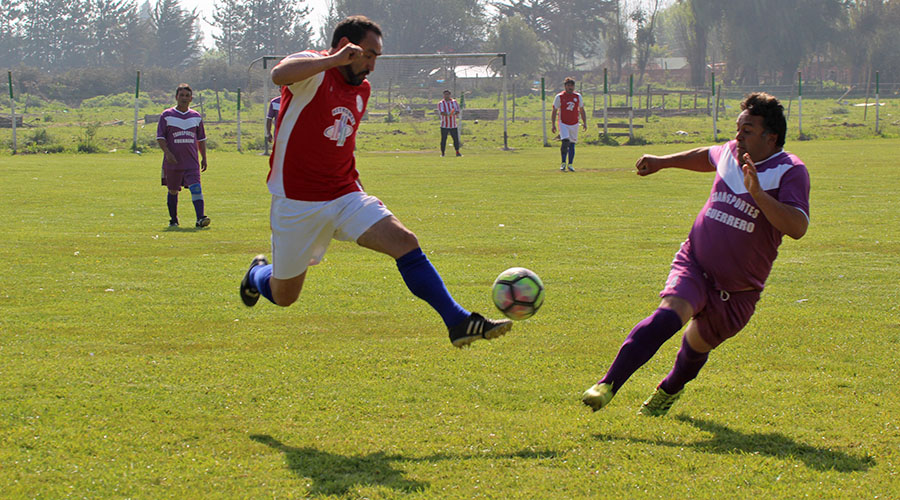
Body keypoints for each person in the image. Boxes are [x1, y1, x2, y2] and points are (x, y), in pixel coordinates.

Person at [238, 16, 512, 347]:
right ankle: (256, 275)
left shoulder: (361, 90)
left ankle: (457, 321)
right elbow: (279, 74)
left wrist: (356, 188)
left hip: (344, 195)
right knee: (284, 296)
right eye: (368, 54)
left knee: (404, 241)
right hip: (297, 202)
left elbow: (340, 144)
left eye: (376, 57)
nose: (371, 64)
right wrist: (334, 60)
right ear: (345, 47)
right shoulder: (312, 72)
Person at [582, 92, 810, 416]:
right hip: (696, 264)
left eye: (746, 130)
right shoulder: (732, 152)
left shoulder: (790, 171)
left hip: (738, 291)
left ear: (770, 136)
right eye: (737, 128)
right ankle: (607, 384)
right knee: (667, 317)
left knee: (695, 347)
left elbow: (797, 226)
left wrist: (758, 193)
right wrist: (662, 162)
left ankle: (669, 389)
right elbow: (707, 156)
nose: (738, 136)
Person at [157, 84, 210, 228]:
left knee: (196, 188)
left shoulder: (196, 116)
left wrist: (204, 157)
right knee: (173, 190)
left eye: (187, 96)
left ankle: (200, 218)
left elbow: (201, 139)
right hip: (173, 162)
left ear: (191, 99)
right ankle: (173, 220)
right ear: (176, 97)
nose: (184, 98)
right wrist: (167, 153)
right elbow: (160, 138)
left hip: (191, 161)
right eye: (182, 95)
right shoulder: (166, 115)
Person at [551, 77, 587, 172]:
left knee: (572, 144)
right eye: (568, 86)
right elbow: (554, 110)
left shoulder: (578, 97)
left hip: (574, 123)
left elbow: (582, 110)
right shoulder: (559, 97)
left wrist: (585, 122)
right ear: (565, 86)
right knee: (565, 141)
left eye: (572, 86)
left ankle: (570, 164)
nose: (570, 87)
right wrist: (553, 124)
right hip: (563, 122)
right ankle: (563, 163)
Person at [437, 90, 461, 157]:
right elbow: (441, 112)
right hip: (444, 125)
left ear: (450, 95)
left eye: (447, 94)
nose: (446, 96)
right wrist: (448, 114)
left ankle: (457, 152)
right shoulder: (441, 103)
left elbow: (457, 110)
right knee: (443, 140)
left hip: (453, 125)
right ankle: (443, 153)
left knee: (455, 139)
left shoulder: (454, 102)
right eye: (445, 94)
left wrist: (453, 113)